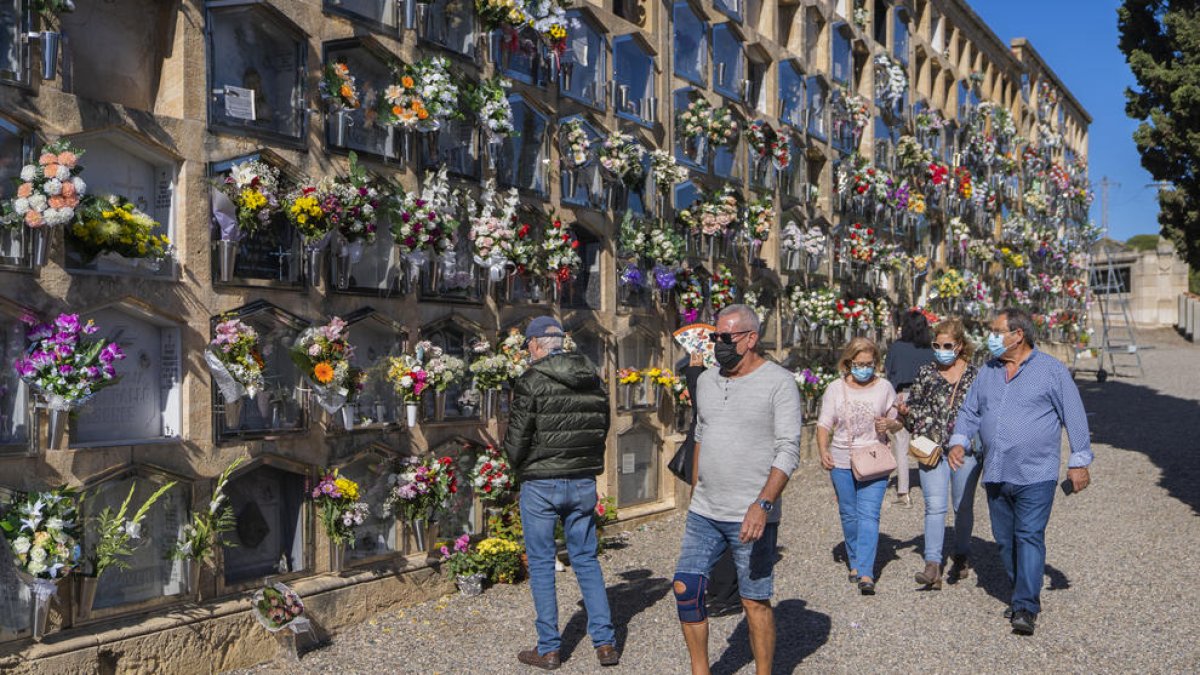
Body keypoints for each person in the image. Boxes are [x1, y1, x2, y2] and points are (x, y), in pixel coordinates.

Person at [673, 305, 802, 675]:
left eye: (725, 338)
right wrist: (696, 486)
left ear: (750, 339)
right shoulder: (709, 380)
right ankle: (701, 670)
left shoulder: (778, 383)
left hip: (751, 512)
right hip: (705, 511)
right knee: (686, 588)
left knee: (754, 600)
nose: (718, 345)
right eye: (715, 337)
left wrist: (763, 504)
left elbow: (788, 449)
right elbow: (701, 430)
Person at [947, 308, 1093, 636]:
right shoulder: (988, 371)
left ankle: (1025, 606)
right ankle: (1020, 589)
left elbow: (1075, 414)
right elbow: (970, 411)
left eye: (996, 331)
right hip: (996, 472)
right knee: (1004, 541)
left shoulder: (1051, 371)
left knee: (1028, 535)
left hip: (1036, 473)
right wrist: (958, 441)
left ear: (1018, 335)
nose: (991, 337)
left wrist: (1079, 461)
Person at [503, 316, 619, 669]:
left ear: (537, 345)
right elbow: (603, 425)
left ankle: (550, 648)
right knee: (586, 559)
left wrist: (513, 461)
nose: (527, 353)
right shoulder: (592, 378)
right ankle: (605, 644)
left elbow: (517, 438)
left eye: (528, 347)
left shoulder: (532, 381)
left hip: (541, 483)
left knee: (540, 563)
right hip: (582, 480)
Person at [897, 317, 982, 590]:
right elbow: (915, 409)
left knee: (962, 506)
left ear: (959, 346)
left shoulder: (975, 375)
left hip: (965, 452)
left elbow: (984, 414)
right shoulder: (926, 372)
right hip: (932, 449)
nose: (940, 349)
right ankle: (932, 565)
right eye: (936, 344)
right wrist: (907, 414)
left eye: (946, 345)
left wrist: (971, 443)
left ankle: (961, 554)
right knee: (934, 505)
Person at [817, 336, 903, 595]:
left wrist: (889, 425)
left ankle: (866, 571)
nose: (864, 368)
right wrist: (822, 450)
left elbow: (897, 421)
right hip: (842, 459)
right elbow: (823, 423)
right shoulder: (835, 388)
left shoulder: (884, 387)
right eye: (858, 363)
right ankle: (855, 559)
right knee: (849, 513)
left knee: (869, 514)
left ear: (876, 363)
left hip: (874, 460)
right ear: (848, 362)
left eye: (868, 363)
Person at [678, 352, 743, 617]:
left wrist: (694, 372)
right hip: (712, 464)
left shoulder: (731, 383)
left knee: (725, 528)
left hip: (727, 466)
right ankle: (720, 589)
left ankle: (728, 593)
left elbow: (707, 405)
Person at [883, 309, 936, 508]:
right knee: (926, 440)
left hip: (902, 395)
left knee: (901, 444)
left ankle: (903, 491)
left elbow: (889, 372)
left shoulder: (897, 348)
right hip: (925, 398)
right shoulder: (930, 350)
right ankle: (930, 487)